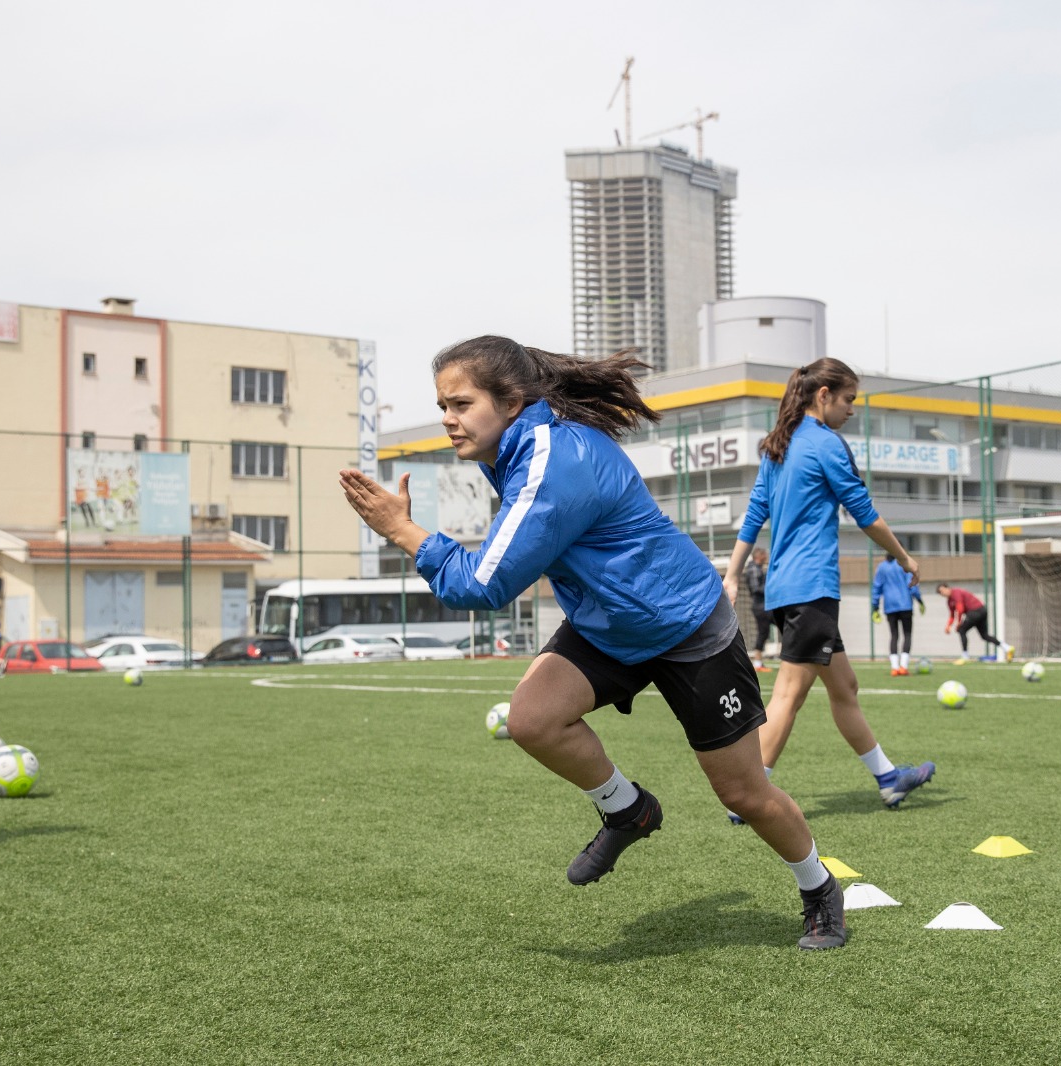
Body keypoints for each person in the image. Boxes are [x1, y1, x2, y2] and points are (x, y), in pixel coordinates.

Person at [339, 336, 847, 951]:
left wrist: (401, 529)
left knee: (744, 793)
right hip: (607, 625)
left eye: (460, 403)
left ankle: (818, 886)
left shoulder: (555, 463)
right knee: (533, 720)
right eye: (442, 404)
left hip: (685, 624)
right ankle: (627, 808)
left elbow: (483, 584)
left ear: (512, 400)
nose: (448, 418)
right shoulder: (515, 446)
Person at [724, 358, 937, 814]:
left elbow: (754, 515)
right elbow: (865, 513)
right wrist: (904, 558)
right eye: (848, 400)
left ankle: (889, 779)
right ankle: (748, 796)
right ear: (823, 395)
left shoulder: (778, 446)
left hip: (787, 589)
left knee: (845, 688)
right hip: (811, 588)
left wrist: (732, 573)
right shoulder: (825, 444)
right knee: (788, 695)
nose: (851, 410)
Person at [871, 554, 924, 676]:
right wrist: (919, 600)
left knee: (894, 635)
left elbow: (876, 587)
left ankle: (894, 668)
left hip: (889, 606)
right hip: (905, 605)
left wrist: (875, 606)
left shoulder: (882, 567)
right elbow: (912, 584)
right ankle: (903, 667)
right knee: (907, 634)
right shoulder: (903, 564)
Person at [936, 584, 1007, 665]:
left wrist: (959, 623)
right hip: (980, 611)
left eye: (942, 590)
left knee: (961, 630)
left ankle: (965, 656)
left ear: (947, 588)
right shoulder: (949, 601)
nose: (942, 593)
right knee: (984, 636)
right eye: (940, 593)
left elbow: (960, 608)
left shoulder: (956, 593)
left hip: (977, 610)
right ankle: (1007, 648)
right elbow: (952, 614)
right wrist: (948, 626)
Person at [743, 546, 773, 672]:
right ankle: (758, 662)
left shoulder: (758, 568)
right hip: (761, 606)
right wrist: (771, 588)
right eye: (764, 554)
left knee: (764, 633)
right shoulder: (754, 569)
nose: (766, 556)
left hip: (764, 606)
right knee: (763, 632)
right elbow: (756, 588)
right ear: (758, 556)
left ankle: (758, 662)